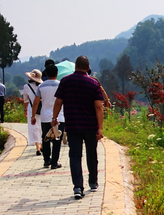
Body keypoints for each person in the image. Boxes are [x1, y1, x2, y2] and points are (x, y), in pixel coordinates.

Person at [51, 56, 104, 200]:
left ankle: (77, 187)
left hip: (73, 125)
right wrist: (100, 128)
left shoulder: (65, 81)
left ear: (75, 67)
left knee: (75, 156)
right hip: (91, 126)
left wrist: (54, 119)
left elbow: (58, 102)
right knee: (91, 154)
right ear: (88, 68)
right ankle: (93, 182)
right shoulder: (93, 83)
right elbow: (99, 106)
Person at [33, 64, 63, 169]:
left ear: (46, 74)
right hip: (59, 116)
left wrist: (33, 116)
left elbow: (36, 102)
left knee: (45, 139)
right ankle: (54, 162)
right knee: (57, 139)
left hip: (45, 116)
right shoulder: (61, 85)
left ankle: (46, 160)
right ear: (57, 73)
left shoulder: (41, 86)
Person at [21, 69, 43, 155]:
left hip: (31, 107)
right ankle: (42, 144)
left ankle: (37, 147)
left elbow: (25, 100)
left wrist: (25, 110)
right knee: (41, 126)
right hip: (42, 108)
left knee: (33, 127)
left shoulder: (26, 86)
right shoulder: (42, 85)